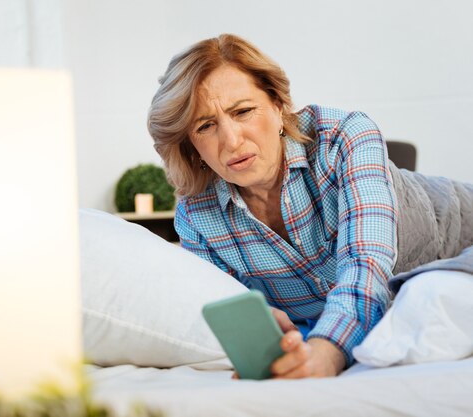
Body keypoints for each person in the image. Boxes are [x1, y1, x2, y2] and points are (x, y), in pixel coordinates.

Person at [147, 33, 473, 378]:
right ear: (191, 144)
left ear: (277, 104)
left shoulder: (345, 136)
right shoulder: (197, 215)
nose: (231, 140)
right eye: (206, 126)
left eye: (243, 111)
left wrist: (328, 350)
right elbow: (225, 309)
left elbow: (366, 262)